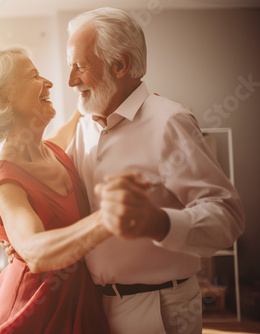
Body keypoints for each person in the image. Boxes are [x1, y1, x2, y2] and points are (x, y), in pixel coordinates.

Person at [62, 7, 245, 334]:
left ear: (119, 65)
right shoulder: (85, 126)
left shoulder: (170, 122)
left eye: (79, 66)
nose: (71, 80)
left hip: (160, 308)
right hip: (94, 305)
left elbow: (228, 216)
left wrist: (158, 223)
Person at [0, 47, 112, 333]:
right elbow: (35, 251)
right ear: (3, 98)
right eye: (34, 76)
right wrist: (107, 221)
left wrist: (92, 86)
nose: (49, 83)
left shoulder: (51, 149)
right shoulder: (6, 181)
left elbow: (75, 118)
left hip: (79, 298)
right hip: (35, 307)